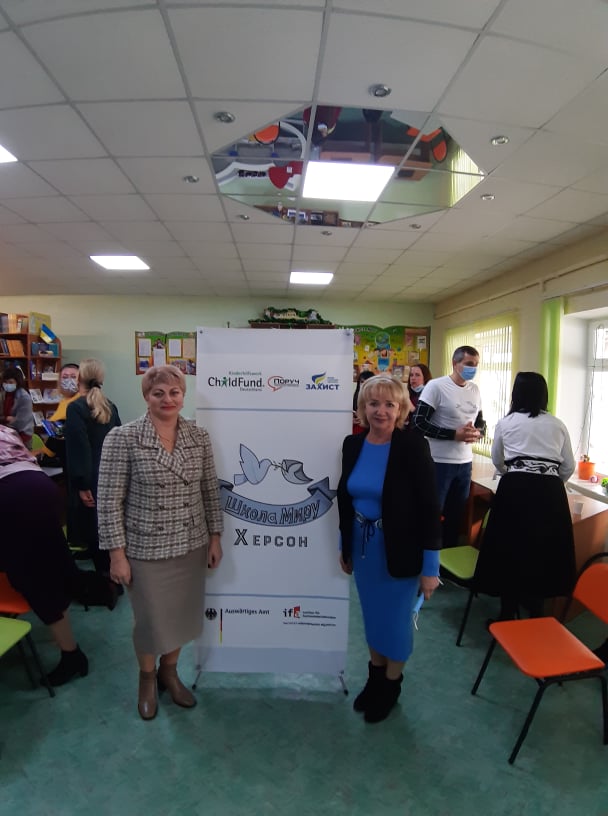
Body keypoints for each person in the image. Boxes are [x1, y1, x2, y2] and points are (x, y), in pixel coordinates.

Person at [97, 365, 224, 721]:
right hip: (145, 549)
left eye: (174, 392)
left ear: (183, 396)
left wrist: (215, 536)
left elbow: (209, 490)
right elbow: (108, 501)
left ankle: (170, 672)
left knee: (181, 616)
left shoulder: (198, 436)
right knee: (150, 620)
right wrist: (116, 555)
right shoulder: (122, 438)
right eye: (159, 393)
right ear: (146, 397)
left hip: (191, 543)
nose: (168, 399)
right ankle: (147, 679)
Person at [337, 375, 441, 723]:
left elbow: (429, 508)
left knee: (395, 623)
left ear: (401, 410)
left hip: (400, 551)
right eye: (373, 403)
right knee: (372, 618)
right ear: (363, 408)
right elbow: (345, 499)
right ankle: (375, 678)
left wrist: (431, 568)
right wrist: (344, 546)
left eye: (389, 404)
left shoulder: (412, 446)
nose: (380, 411)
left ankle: (391, 685)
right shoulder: (353, 444)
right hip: (363, 550)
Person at [0, 426, 118, 686]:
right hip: (39, 487)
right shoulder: (5, 430)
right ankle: (92, 588)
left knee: (32, 577)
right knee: (53, 563)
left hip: (12, 498)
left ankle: (71, 655)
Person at [474, 372, 576, 619]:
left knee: (509, 547)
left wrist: (516, 474)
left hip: (515, 490)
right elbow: (568, 466)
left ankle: (507, 614)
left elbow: (497, 460)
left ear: (516, 394)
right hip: (550, 493)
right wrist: (551, 482)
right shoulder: (557, 424)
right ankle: (536, 614)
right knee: (543, 549)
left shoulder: (506, 423)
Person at [413, 346, 484, 548]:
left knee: (455, 517)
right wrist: (453, 435)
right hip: (439, 463)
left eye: (476, 365)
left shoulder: (475, 390)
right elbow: (419, 423)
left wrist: (477, 433)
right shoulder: (436, 386)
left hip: (465, 464)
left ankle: (448, 556)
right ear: (455, 363)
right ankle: (427, 557)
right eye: (469, 364)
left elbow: (481, 423)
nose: (473, 368)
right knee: (432, 515)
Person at [64, 359, 121, 573]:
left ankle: (105, 580)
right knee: (109, 530)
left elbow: (80, 448)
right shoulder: (111, 406)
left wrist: (82, 484)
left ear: (79, 378)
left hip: (91, 478)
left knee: (93, 532)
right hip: (112, 477)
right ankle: (113, 576)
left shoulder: (76, 408)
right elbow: (119, 442)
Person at [1, 366, 34, 448]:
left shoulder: (24, 397)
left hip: (22, 436)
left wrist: (4, 420)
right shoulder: (3, 394)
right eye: (5, 382)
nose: (7, 384)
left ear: (17, 382)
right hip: (5, 434)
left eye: (10, 382)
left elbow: (20, 422)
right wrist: (6, 418)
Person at [406, 363, 432, 427]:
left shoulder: (429, 395)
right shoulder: (407, 393)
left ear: (425, 378)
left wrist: (412, 408)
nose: (413, 378)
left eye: (417, 375)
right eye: (411, 375)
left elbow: (426, 420)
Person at [352, 369, 375, 434]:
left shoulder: (378, 400)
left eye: (368, 382)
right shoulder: (353, 399)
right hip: (356, 431)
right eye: (362, 382)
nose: (364, 384)